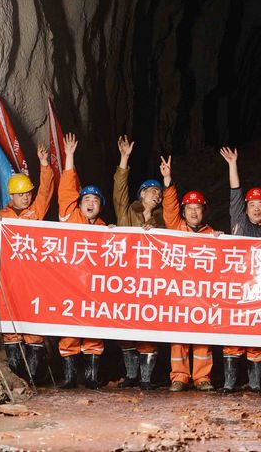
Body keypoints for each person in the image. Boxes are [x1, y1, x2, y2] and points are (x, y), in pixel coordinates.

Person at [0, 143, 54, 384]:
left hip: (35, 280)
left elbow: (46, 192)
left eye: (28, 193)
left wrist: (45, 164)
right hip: (9, 281)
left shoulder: (35, 213)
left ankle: (34, 377)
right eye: (22, 194)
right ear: (12, 196)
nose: (27, 197)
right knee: (11, 326)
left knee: (34, 329)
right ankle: (18, 376)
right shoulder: (2, 218)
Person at [160, 155, 221, 392]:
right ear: (183, 211)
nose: (194, 213)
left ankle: (202, 377)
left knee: (203, 335)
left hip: (203, 293)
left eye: (198, 208)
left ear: (204, 211)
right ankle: (179, 376)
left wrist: (222, 243)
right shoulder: (176, 228)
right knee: (179, 336)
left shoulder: (212, 234)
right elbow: (169, 207)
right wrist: (168, 181)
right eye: (189, 208)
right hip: (180, 291)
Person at [113, 135, 164, 389]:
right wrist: (124, 159)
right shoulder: (126, 212)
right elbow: (119, 190)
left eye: (160, 192)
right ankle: (132, 375)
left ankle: (146, 378)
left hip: (152, 279)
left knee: (148, 326)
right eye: (153, 190)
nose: (157, 195)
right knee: (126, 326)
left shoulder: (163, 221)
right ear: (142, 193)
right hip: (125, 276)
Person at [220, 147, 261, 393]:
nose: (255, 209)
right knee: (233, 337)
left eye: (260, 204)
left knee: (257, 338)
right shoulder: (240, 223)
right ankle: (230, 383)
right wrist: (233, 165)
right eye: (251, 204)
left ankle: (255, 384)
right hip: (237, 289)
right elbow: (235, 195)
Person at [57, 134, 107, 389]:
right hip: (69, 283)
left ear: (100, 207)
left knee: (93, 330)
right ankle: (68, 376)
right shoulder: (70, 216)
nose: (90, 203)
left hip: (94, 287)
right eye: (86, 199)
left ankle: (91, 376)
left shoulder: (105, 229)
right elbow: (66, 190)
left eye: (95, 200)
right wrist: (69, 157)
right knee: (68, 329)